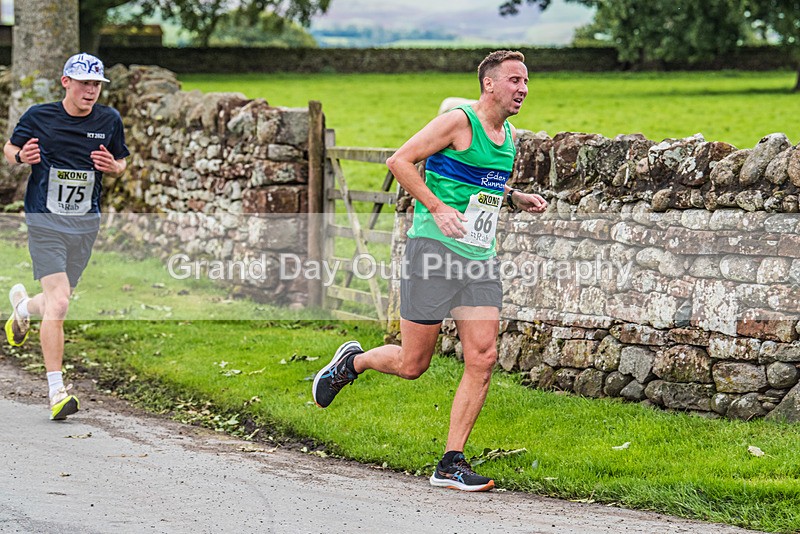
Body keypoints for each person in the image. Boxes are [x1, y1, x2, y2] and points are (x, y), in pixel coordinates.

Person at [312, 50, 547, 491]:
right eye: (514, 80)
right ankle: (353, 363)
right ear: (489, 84)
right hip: (433, 251)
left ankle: (450, 462)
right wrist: (436, 207)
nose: (523, 89)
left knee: (484, 357)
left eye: (526, 81)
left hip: (478, 258)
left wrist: (514, 196)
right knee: (412, 362)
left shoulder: (508, 134)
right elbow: (399, 161)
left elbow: (481, 183)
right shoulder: (460, 121)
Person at [3, 53, 129, 420]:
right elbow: (10, 149)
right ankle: (57, 391)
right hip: (45, 221)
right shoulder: (39, 116)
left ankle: (23, 309)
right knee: (59, 305)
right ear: (66, 83)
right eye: (84, 83)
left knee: (57, 300)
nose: (91, 91)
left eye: (96, 85)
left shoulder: (109, 121)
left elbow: (122, 160)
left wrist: (114, 167)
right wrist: (20, 157)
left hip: (85, 224)